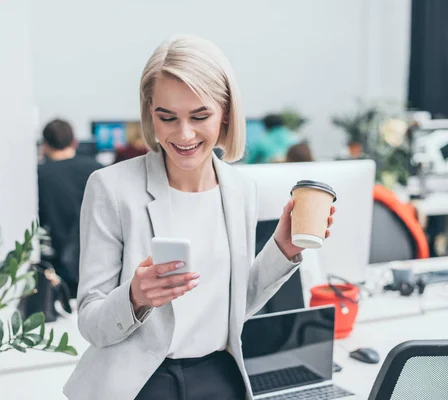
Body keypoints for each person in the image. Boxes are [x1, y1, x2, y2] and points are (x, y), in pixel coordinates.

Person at [63, 36, 336, 400]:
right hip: (141, 383)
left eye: (200, 115)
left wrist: (282, 250)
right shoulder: (111, 188)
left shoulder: (241, 190)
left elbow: (235, 307)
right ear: (150, 111)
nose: (184, 134)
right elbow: (91, 323)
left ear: (225, 112)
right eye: (167, 117)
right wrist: (135, 297)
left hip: (219, 375)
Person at [37, 119, 102, 297]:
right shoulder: (98, 169)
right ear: (74, 142)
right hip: (100, 259)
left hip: (62, 267)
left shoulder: (40, 176)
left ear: (45, 145)